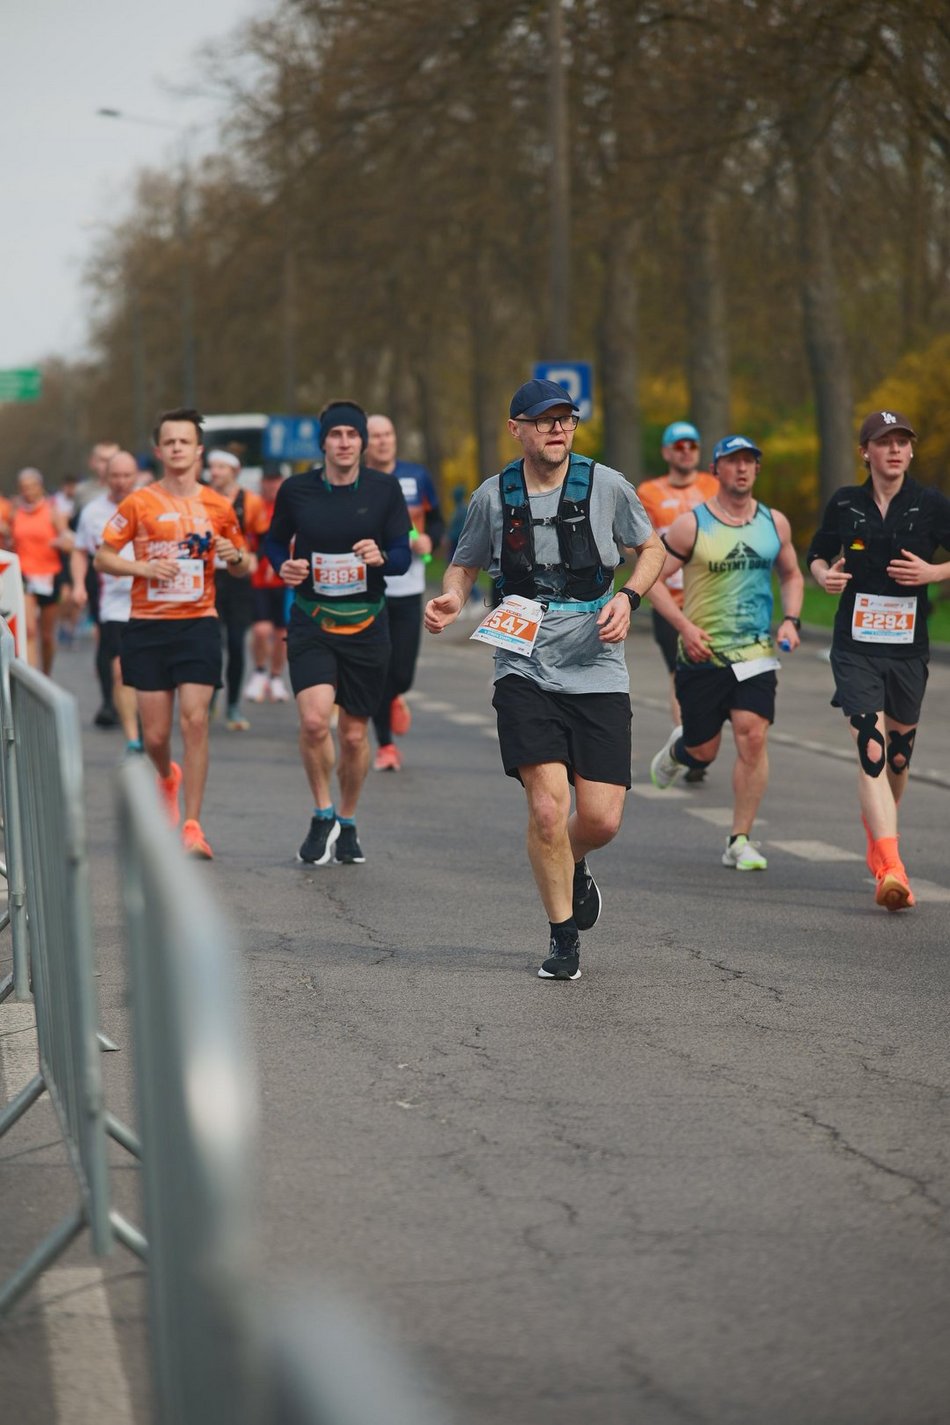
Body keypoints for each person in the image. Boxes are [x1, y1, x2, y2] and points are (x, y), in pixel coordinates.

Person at [424, 378, 665, 981]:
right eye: (543, 419)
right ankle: (562, 937)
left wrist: (631, 598)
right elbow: (464, 562)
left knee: (602, 819)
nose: (557, 428)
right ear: (517, 429)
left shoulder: (607, 485)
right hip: (522, 659)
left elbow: (652, 548)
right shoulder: (492, 496)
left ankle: (570, 862)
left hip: (597, 661)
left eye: (566, 418)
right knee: (548, 810)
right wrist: (453, 599)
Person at [806, 409, 950, 911]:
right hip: (855, 645)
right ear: (865, 452)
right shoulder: (846, 502)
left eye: (902, 442)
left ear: (911, 451)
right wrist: (825, 575)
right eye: (883, 442)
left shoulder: (930, 504)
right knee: (870, 746)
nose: (894, 450)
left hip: (909, 647)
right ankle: (892, 866)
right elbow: (818, 554)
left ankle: (879, 837)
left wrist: (934, 574)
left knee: (898, 756)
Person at [94, 408, 250, 859]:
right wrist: (143, 567)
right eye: (170, 442)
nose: (178, 448)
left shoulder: (219, 505)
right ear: (159, 450)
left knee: (196, 721)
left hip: (199, 624)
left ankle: (193, 825)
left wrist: (233, 555)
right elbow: (105, 557)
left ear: (198, 450)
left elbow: (245, 565)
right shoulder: (139, 503)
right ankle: (167, 777)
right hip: (147, 626)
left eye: (186, 441)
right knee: (157, 736)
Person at [262, 400, 412, 866]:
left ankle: (347, 821)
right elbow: (270, 539)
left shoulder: (385, 490)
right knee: (313, 722)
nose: (344, 442)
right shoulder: (297, 490)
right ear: (323, 442)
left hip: (368, 624)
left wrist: (382, 557)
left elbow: (405, 555)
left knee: (351, 736)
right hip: (312, 619)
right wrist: (280, 565)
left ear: (363, 441)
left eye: (352, 434)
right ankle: (321, 809)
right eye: (336, 435)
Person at [646, 434, 804, 871]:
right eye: (732, 462)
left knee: (752, 734)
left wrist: (791, 618)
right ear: (715, 470)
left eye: (749, 461)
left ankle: (740, 839)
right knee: (704, 751)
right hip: (703, 653)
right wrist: (683, 626)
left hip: (755, 651)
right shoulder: (691, 525)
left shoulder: (775, 523)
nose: (741, 469)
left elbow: (791, 574)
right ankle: (680, 751)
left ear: (756, 469)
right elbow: (651, 579)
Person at [365, 413, 445, 771]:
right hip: (371, 588)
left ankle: (396, 695)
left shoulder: (417, 476)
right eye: (375, 435)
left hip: (410, 587)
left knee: (401, 673)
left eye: (388, 434)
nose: (383, 440)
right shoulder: (360, 480)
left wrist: (431, 538)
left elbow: (439, 519)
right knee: (379, 669)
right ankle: (385, 745)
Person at [636, 421, 718, 752]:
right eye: (679, 447)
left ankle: (701, 736)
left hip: (712, 598)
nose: (686, 453)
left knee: (713, 675)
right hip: (669, 599)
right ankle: (688, 740)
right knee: (679, 672)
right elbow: (637, 543)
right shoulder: (649, 492)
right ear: (667, 452)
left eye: (692, 446)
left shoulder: (714, 486)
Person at [71, 450, 140, 746]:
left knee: (146, 667)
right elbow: (79, 550)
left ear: (135, 476)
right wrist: (77, 585)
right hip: (114, 601)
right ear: (105, 478)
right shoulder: (93, 511)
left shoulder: (149, 504)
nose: (121, 482)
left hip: (151, 599)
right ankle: (132, 737)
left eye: (127, 475)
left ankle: (143, 714)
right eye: (115, 476)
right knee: (119, 667)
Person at [206, 448, 269, 730]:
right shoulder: (201, 498)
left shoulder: (251, 501)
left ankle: (232, 704)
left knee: (234, 642)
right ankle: (208, 698)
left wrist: (257, 557)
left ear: (235, 471)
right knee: (210, 643)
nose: (215, 472)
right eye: (212, 467)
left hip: (238, 577)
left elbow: (266, 536)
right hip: (208, 577)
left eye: (221, 467)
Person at [10, 467, 72, 675]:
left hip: (49, 574)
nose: (27, 491)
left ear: (40, 486)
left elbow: (68, 541)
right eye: (23, 487)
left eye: (32, 486)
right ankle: (33, 677)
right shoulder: (15, 510)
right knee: (28, 630)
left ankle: (46, 674)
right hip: (24, 574)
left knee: (46, 636)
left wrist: (62, 541)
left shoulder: (53, 511)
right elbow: (10, 539)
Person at [244, 468, 292, 705]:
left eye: (276, 482)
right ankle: (259, 671)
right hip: (259, 581)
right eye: (268, 482)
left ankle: (275, 676)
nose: (272, 487)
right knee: (261, 630)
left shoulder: (292, 507)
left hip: (286, 582)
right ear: (262, 483)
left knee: (282, 633)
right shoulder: (256, 507)